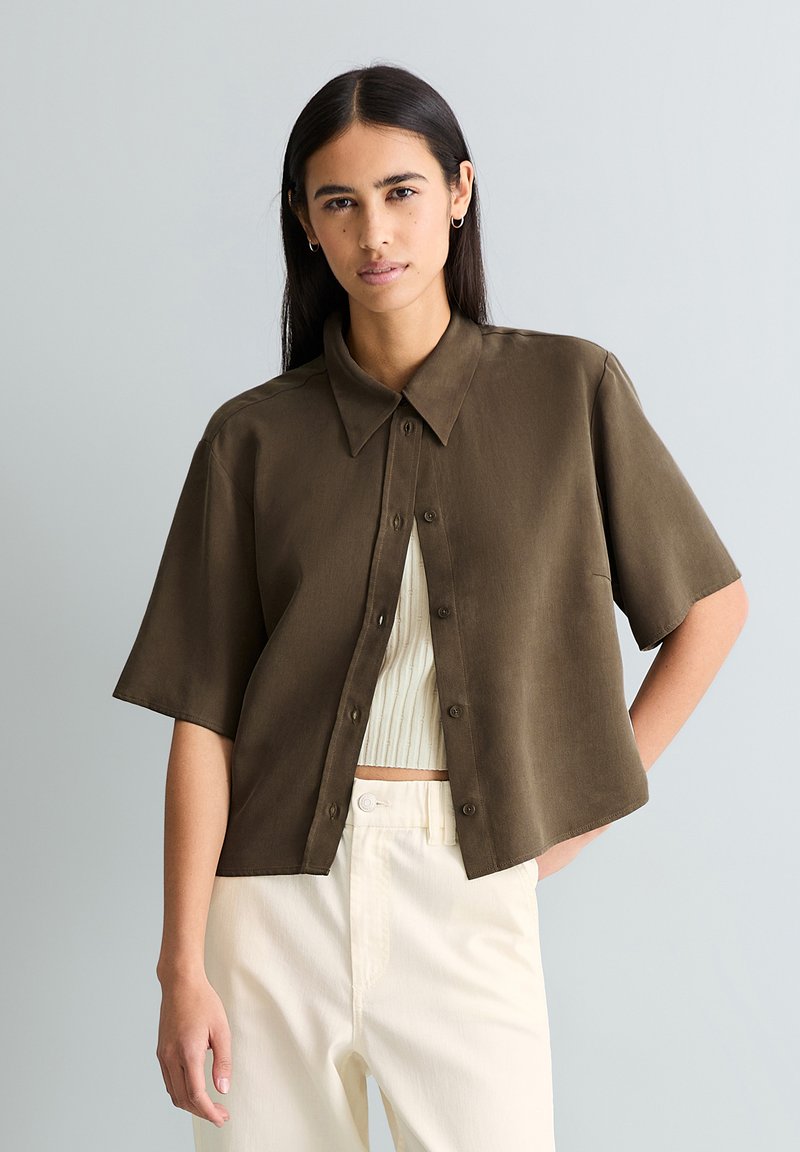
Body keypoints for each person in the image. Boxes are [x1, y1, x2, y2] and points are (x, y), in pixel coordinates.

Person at [112, 63, 748, 1152]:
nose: (374, 233)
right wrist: (181, 967)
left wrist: (580, 811)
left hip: (463, 887)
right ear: (305, 223)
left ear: (459, 191)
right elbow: (203, 720)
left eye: (401, 191)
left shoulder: (569, 390)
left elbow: (711, 610)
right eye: (339, 202)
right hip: (269, 906)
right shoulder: (250, 438)